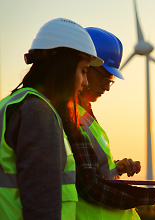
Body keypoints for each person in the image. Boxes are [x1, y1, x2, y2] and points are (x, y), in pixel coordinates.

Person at [72, 27, 155, 220]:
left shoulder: (85, 113)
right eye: (106, 76)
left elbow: (88, 169)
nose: (108, 87)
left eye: (112, 80)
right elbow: (90, 187)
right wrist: (154, 194)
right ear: (85, 65)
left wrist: (116, 168)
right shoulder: (68, 116)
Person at [0, 18, 103, 220]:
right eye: (83, 71)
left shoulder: (13, 103)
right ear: (62, 66)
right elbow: (42, 206)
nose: (86, 82)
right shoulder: (37, 113)